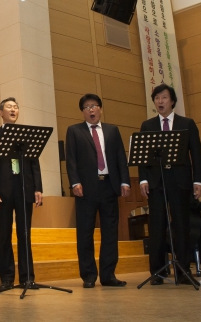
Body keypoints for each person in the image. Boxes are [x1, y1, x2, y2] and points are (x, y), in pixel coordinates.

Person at [139, 83, 201, 285]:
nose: (160, 101)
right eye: (157, 98)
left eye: (164, 97)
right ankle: (157, 272)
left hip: (180, 180)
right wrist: (143, 179)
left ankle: (183, 270)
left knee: (182, 225)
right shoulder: (147, 125)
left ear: (172, 101)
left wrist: (198, 180)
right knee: (156, 226)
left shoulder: (187, 123)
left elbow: (196, 154)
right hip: (156, 181)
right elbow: (142, 156)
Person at [65, 93, 131, 288]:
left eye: (94, 106)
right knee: (85, 233)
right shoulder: (74, 131)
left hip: (109, 185)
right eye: (87, 107)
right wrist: (75, 182)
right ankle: (89, 276)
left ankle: (108, 275)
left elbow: (120, 157)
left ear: (100, 109)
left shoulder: (112, 130)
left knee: (110, 232)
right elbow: (71, 160)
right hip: (86, 189)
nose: (91, 110)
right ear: (83, 112)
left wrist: (125, 182)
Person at [0, 97, 43, 290]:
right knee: (5, 234)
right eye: (9, 107)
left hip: (24, 188)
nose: (13, 110)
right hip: (2, 191)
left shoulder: (27, 135)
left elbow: (34, 162)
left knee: (25, 234)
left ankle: (27, 278)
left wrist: (38, 188)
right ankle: (7, 279)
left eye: (16, 107)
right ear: (1, 112)